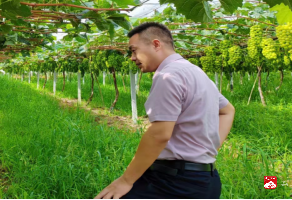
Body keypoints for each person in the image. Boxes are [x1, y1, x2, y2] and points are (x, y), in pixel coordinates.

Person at [95, 22, 235, 200]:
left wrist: (126, 180)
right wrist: (207, 149)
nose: (132, 57)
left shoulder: (167, 75)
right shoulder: (196, 72)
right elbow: (227, 110)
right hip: (205, 179)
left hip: (176, 183)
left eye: (133, 50)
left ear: (156, 44)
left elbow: (159, 134)